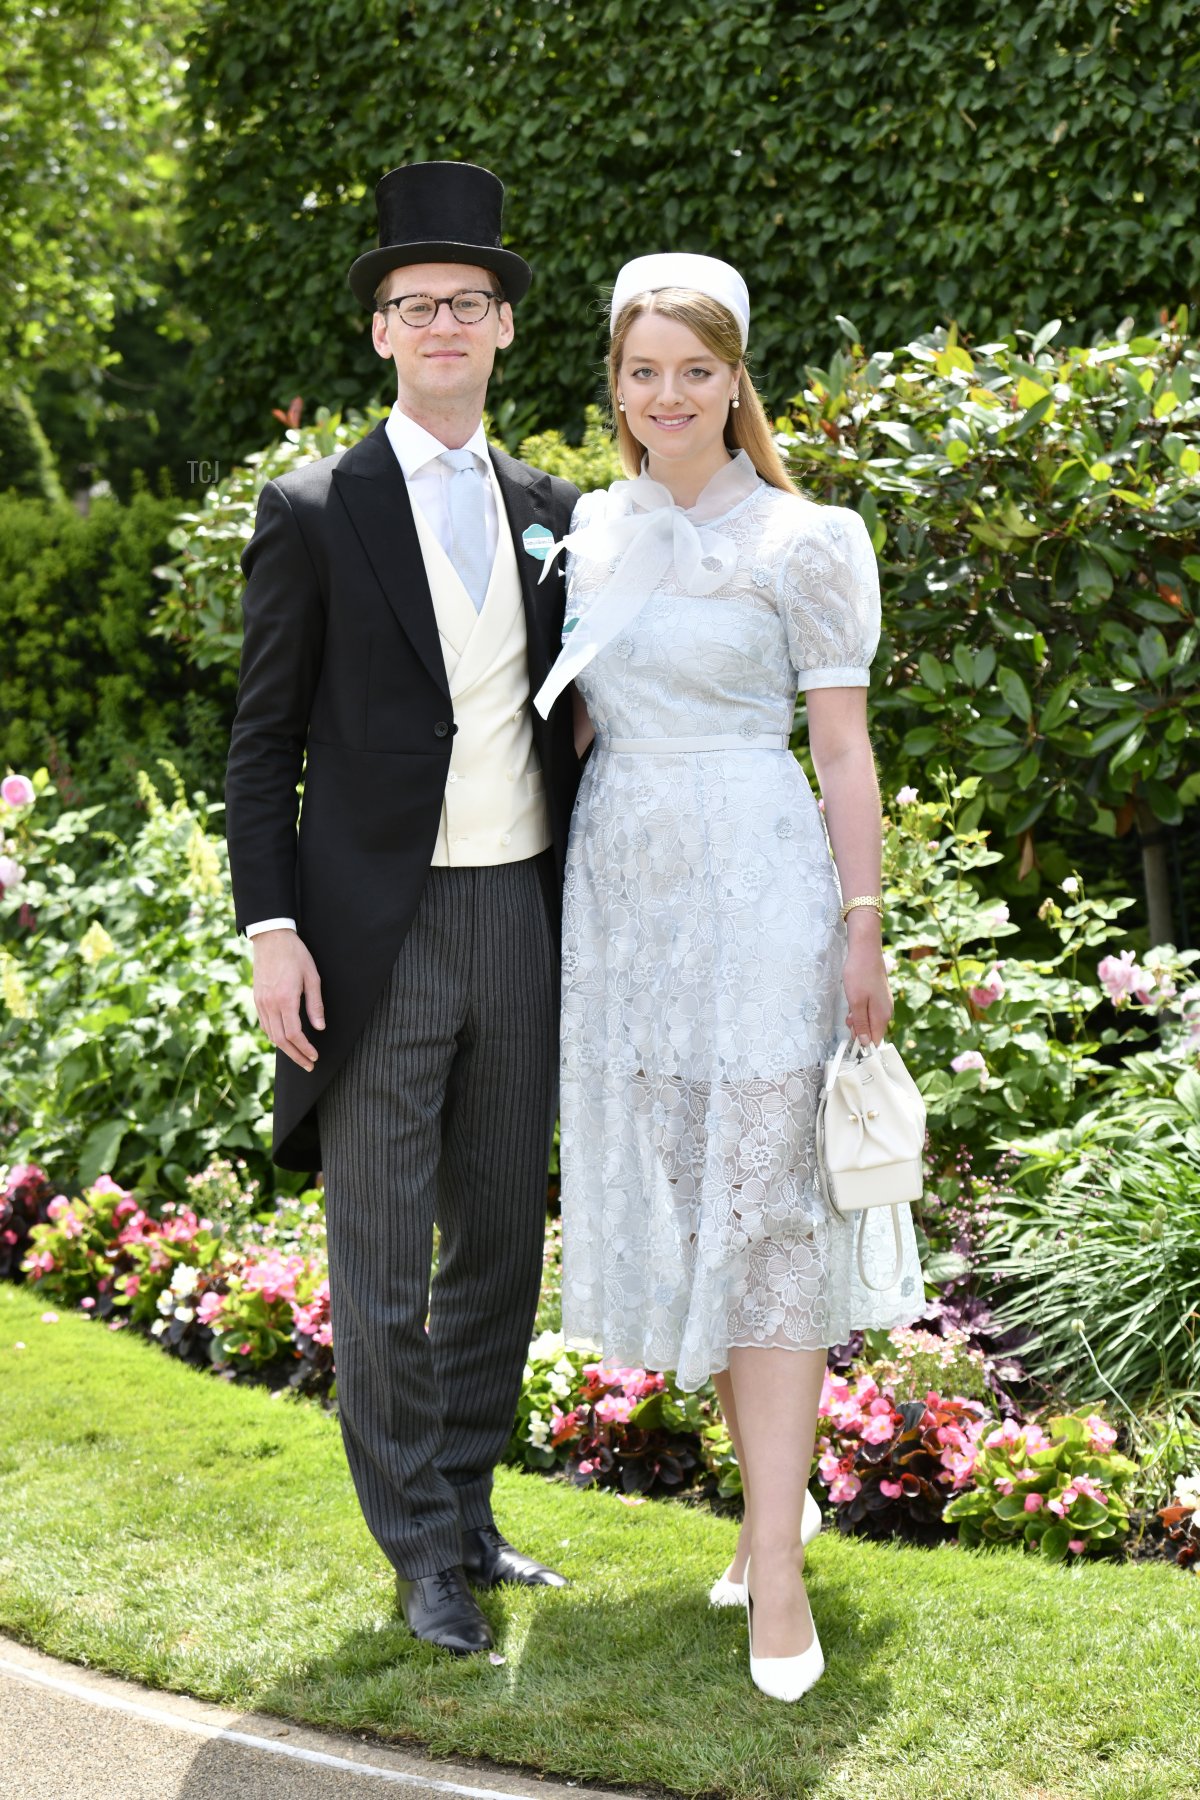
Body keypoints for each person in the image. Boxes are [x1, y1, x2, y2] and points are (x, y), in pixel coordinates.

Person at [534, 253, 924, 1702]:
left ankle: (775, 1566)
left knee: (767, 1222)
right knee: (704, 1204)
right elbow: (569, 727)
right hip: (627, 903)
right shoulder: (591, 528)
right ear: (617, 387)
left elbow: (841, 750)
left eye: (695, 369)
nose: (668, 395)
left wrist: (864, 923)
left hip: (763, 891)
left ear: (736, 377)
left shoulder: (808, 537)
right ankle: (781, 1500)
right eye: (643, 370)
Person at [225, 161, 580, 1657]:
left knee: (499, 1242)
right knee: (376, 1266)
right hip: (370, 937)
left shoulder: (562, 512)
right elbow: (260, 739)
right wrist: (270, 930)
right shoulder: (311, 508)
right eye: (411, 304)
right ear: (380, 334)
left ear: (502, 328)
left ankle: (473, 1508)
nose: (441, 324)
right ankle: (418, 1549)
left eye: (466, 302)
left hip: (523, 920)